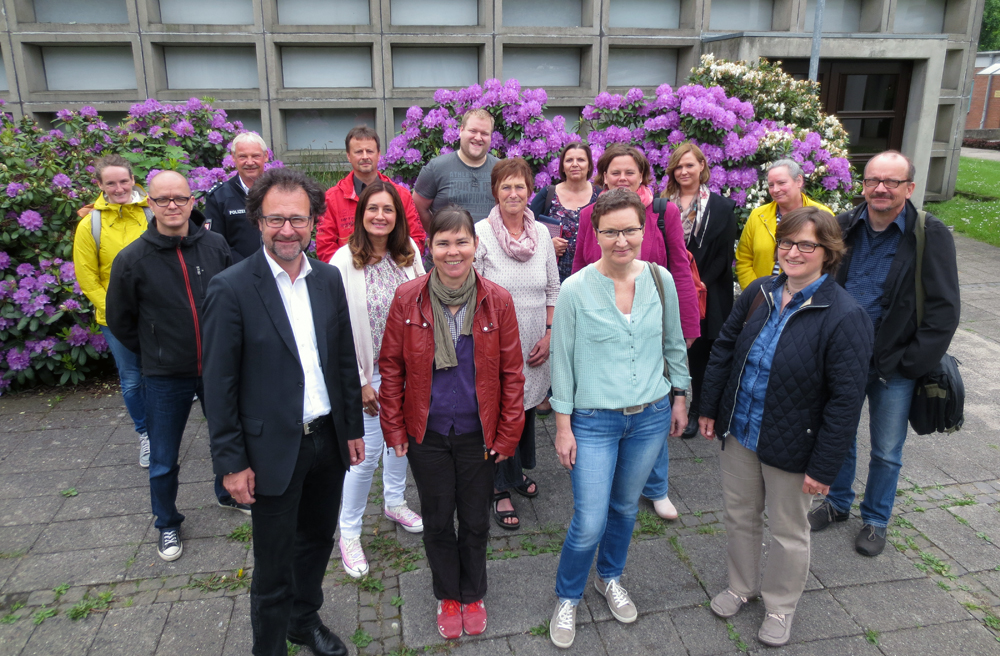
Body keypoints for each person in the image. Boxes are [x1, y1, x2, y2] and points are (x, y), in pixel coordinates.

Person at [202, 168, 365, 656]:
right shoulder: (231, 288)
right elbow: (218, 386)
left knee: (315, 543)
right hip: (270, 449)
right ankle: (269, 647)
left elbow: (342, 360)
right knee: (273, 565)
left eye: (298, 219)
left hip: (327, 442)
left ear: (314, 222)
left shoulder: (328, 279)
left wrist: (352, 428)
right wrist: (231, 462)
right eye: (276, 219)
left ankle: (303, 621)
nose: (287, 230)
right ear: (257, 221)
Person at [698, 206, 873, 647]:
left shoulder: (845, 315)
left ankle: (780, 605)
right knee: (740, 516)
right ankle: (741, 586)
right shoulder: (759, 292)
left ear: (828, 252)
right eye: (787, 243)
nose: (793, 253)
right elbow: (724, 350)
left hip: (794, 443)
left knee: (788, 530)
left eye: (806, 245)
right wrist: (710, 408)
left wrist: (824, 467)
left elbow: (845, 402)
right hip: (742, 430)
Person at [548, 188, 689, 649]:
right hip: (593, 421)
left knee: (626, 508)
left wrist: (680, 397)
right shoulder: (575, 288)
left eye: (630, 230)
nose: (621, 240)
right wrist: (563, 427)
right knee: (589, 519)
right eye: (611, 232)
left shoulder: (660, 279)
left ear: (644, 231)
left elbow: (673, 344)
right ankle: (568, 595)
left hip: (650, 416)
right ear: (596, 233)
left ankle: (609, 577)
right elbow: (562, 362)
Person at [378, 206, 525, 640]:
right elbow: (391, 368)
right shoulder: (408, 298)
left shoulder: (497, 300)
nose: (453, 251)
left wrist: (508, 433)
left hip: (479, 434)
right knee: (439, 519)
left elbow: (512, 373)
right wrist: (394, 428)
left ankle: (473, 592)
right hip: (428, 434)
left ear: (475, 246)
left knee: (476, 520)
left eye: (462, 241)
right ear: (430, 248)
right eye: (443, 243)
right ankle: (448, 593)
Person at [808, 150, 961, 556]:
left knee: (887, 450)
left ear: (909, 188)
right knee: (838, 435)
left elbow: (945, 308)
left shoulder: (929, 234)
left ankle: (875, 520)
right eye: (873, 180)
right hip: (843, 357)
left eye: (891, 181)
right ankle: (837, 503)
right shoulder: (843, 226)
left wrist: (912, 363)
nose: (880, 188)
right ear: (863, 185)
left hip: (895, 363)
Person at [105, 170, 242, 563]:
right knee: (164, 457)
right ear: (149, 203)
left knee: (226, 438)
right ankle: (166, 521)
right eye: (162, 199)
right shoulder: (133, 259)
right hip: (166, 375)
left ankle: (227, 494)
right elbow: (120, 320)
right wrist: (156, 350)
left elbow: (234, 301)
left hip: (216, 369)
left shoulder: (215, 246)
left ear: (191, 201)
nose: (172, 206)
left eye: (179, 198)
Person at [571, 143, 700, 521]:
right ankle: (613, 474)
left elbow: (680, 269)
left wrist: (687, 324)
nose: (622, 178)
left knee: (652, 403)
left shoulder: (663, 212)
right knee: (613, 400)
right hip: (604, 321)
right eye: (615, 172)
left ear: (643, 175)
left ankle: (657, 487)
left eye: (630, 172)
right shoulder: (590, 215)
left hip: (651, 323)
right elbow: (580, 265)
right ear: (604, 176)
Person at [330, 180, 425, 578]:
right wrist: (359, 382)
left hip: (406, 372)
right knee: (365, 455)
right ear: (361, 214)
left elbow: (425, 305)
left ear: (398, 216)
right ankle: (349, 532)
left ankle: (395, 502)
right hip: (367, 376)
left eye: (388, 209)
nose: (380, 216)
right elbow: (336, 328)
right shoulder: (342, 261)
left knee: (400, 442)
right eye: (373, 209)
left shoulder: (408, 253)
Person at [474, 158, 559, 530]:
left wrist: (550, 334)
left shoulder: (541, 233)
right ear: (495, 191)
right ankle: (498, 488)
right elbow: (471, 292)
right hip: (496, 346)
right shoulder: (480, 232)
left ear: (530, 191)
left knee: (523, 411)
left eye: (519, 186)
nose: (513, 193)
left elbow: (553, 288)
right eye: (505, 186)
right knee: (498, 413)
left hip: (534, 344)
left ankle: (516, 471)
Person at [73, 154, 152, 467]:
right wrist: (118, 311)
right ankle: (146, 434)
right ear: (100, 185)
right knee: (132, 379)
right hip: (115, 319)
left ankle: (166, 429)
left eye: (123, 181)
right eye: (111, 183)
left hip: (156, 313)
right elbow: (87, 277)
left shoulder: (151, 213)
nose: (118, 188)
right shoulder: (89, 225)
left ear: (133, 180)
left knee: (164, 376)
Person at [664, 143, 738, 443]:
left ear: (702, 166)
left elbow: (724, 256)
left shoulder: (721, 207)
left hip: (708, 289)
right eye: (678, 167)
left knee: (700, 354)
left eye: (689, 165)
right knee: (668, 349)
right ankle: (669, 405)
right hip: (669, 287)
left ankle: (697, 410)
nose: (683, 171)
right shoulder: (662, 205)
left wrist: (697, 285)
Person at [316, 126, 426, 261]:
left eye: (369, 151)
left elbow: (416, 240)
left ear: (379, 154)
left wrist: (388, 266)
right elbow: (325, 247)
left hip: (395, 269)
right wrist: (355, 267)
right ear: (348, 156)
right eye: (358, 152)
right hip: (349, 271)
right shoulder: (332, 198)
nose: (365, 156)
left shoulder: (402, 195)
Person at [735, 159, 832, 290]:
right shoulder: (757, 216)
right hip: (762, 295)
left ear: (799, 181)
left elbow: (831, 259)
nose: (775, 190)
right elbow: (744, 260)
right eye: (771, 185)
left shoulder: (822, 215)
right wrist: (757, 292)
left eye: (781, 183)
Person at [413, 109, 498, 226]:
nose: (478, 138)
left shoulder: (501, 170)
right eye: (473, 131)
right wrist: (437, 232)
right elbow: (418, 207)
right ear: (461, 130)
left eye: (484, 133)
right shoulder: (436, 168)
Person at [528, 142, 599, 282]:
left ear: (589, 166)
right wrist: (547, 245)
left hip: (591, 278)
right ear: (562, 167)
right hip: (552, 279)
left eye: (581, 160)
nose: (574, 164)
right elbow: (526, 229)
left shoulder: (600, 196)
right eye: (569, 160)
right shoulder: (548, 194)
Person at [203, 131, 270, 261]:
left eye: (255, 156)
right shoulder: (219, 197)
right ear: (233, 157)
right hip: (236, 270)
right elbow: (215, 243)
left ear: (265, 156)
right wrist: (246, 267)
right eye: (243, 156)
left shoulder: (279, 192)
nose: (249, 162)